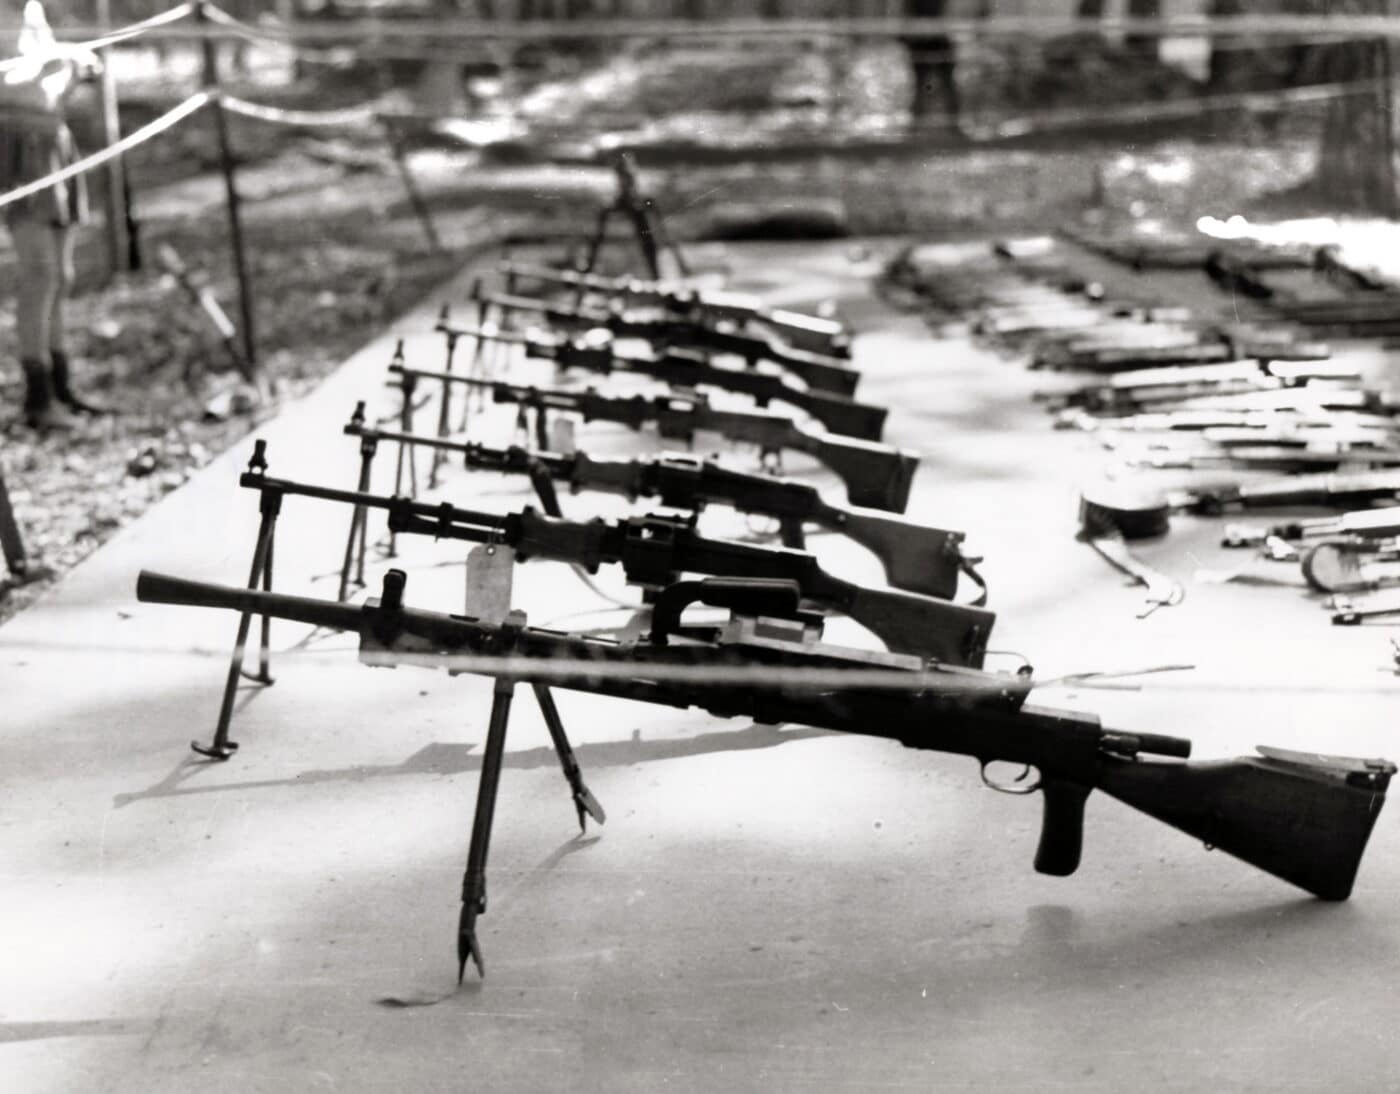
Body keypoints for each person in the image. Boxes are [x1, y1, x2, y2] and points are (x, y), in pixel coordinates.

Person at [1, 0, 105, 431]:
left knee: (62, 274)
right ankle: (37, 399)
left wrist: (75, 70)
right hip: (17, 146)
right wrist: (51, 63)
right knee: (39, 272)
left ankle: (62, 389)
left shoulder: (32, 8)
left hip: (52, 143)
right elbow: (10, 78)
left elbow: (46, 89)